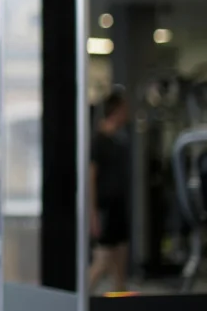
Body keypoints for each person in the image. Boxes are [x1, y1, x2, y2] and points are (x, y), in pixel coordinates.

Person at [88, 88, 131, 294]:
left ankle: (120, 297)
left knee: (119, 266)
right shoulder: (98, 141)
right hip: (104, 209)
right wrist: (93, 213)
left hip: (118, 207)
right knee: (103, 261)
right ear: (116, 111)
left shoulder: (117, 141)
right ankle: (79, 300)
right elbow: (91, 178)